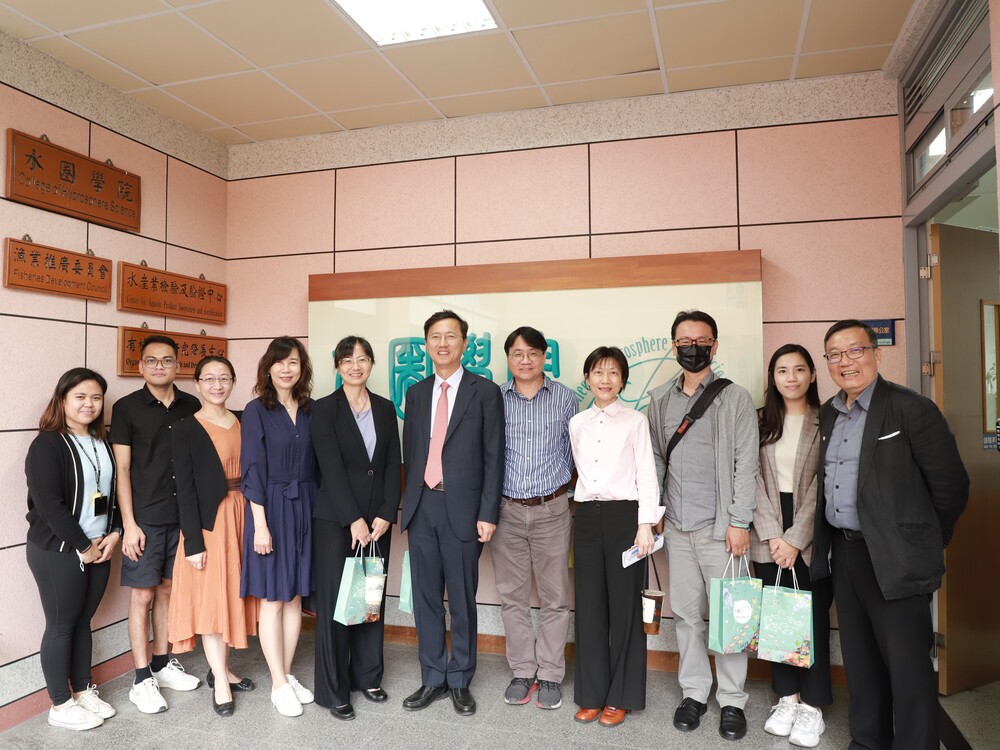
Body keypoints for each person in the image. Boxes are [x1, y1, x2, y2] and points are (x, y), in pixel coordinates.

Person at [811, 319, 969, 750]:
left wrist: (922, 542)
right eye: (835, 355)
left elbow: (951, 487)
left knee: (908, 667)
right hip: (846, 555)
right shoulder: (829, 412)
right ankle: (868, 741)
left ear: (876, 353)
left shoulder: (910, 408)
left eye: (855, 350)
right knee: (861, 662)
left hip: (896, 557)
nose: (846, 362)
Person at [647, 309, 758, 742]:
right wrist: (654, 515)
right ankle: (694, 692)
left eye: (701, 340)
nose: (693, 347)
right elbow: (656, 458)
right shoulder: (659, 399)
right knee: (689, 617)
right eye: (684, 341)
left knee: (730, 617)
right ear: (673, 346)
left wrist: (738, 521)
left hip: (721, 530)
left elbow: (745, 464)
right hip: (676, 526)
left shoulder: (735, 398)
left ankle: (732, 700)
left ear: (714, 345)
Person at [400, 310, 504, 717]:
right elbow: (412, 450)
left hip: (464, 509)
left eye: (451, 336)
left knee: (461, 598)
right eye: (435, 337)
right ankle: (432, 678)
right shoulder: (417, 392)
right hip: (423, 505)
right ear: (426, 345)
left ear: (464, 343)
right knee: (426, 598)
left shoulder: (485, 391)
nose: (442, 343)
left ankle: (460, 679)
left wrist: (488, 512)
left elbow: (495, 457)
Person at [569, 346, 662, 728]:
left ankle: (620, 697)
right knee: (589, 608)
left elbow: (646, 474)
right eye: (597, 372)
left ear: (623, 380)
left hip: (627, 517)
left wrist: (646, 524)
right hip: (587, 518)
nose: (604, 380)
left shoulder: (635, 421)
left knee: (625, 610)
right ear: (588, 378)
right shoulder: (577, 423)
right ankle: (591, 695)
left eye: (612, 373)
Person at [310, 336, 402, 721]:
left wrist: (385, 513)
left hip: (377, 521)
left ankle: (367, 676)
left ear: (371, 363)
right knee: (336, 605)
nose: (355, 366)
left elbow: (392, 464)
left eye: (362, 359)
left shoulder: (384, 407)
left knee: (368, 599)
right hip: (336, 520)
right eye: (347, 360)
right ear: (336, 366)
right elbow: (329, 467)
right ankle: (334, 690)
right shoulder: (324, 409)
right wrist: (354, 519)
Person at [26, 368, 121, 731]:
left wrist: (114, 533)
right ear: (63, 400)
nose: (89, 404)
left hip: (99, 547)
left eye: (96, 397)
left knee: (83, 622)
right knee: (62, 624)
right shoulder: (48, 444)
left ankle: (82, 691)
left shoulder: (102, 442)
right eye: (80, 396)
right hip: (60, 550)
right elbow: (50, 505)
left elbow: (111, 497)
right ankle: (60, 704)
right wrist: (83, 546)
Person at [111, 335, 202, 714]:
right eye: (152, 361)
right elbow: (123, 469)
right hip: (145, 519)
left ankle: (163, 665)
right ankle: (141, 678)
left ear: (178, 364)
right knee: (143, 595)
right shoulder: (126, 408)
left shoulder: (192, 405)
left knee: (167, 591)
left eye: (167, 360)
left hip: (181, 518)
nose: (159, 366)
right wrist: (128, 524)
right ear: (141, 366)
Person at [750, 344, 833, 747]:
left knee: (812, 616)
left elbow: (825, 482)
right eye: (783, 370)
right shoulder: (760, 420)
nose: (792, 377)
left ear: (813, 375)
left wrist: (796, 539)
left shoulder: (828, 419)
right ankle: (787, 697)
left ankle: (813, 705)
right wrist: (772, 535)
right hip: (768, 524)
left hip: (812, 523)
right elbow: (751, 477)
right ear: (773, 377)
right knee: (778, 618)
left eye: (800, 369)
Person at [168, 356, 259, 717]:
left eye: (224, 378)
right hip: (211, 522)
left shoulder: (245, 419)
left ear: (234, 382)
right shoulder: (185, 428)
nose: (217, 385)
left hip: (245, 514)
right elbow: (185, 490)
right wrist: (193, 542)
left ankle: (224, 667)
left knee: (233, 595)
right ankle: (220, 679)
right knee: (211, 600)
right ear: (196, 384)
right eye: (209, 379)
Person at [493, 326, 577, 710]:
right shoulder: (494, 398)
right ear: (508, 358)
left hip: (553, 509)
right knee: (512, 597)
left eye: (532, 353)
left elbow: (577, 455)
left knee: (555, 597)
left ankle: (550, 675)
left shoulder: (565, 399)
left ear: (545, 356)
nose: (524, 360)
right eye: (516, 353)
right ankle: (522, 670)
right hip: (506, 510)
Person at [241, 336, 319, 717]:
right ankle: (277, 684)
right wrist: (260, 525)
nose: (287, 369)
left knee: (295, 597)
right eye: (280, 362)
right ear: (268, 368)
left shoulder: (310, 409)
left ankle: (285, 676)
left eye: (293, 362)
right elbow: (252, 470)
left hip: (307, 504)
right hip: (270, 507)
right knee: (273, 597)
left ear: (301, 368)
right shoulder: (256, 410)